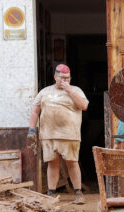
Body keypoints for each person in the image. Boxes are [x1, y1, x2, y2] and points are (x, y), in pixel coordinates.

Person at [27, 64, 89, 204]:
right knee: (52, 164)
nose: (64, 81)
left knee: (72, 163)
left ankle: (78, 193)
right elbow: (35, 111)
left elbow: (83, 106)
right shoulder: (45, 92)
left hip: (70, 135)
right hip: (48, 135)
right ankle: (51, 193)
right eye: (62, 78)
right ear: (55, 77)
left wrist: (70, 91)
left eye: (67, 78)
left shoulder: (76, 90)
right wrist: (31, 129)